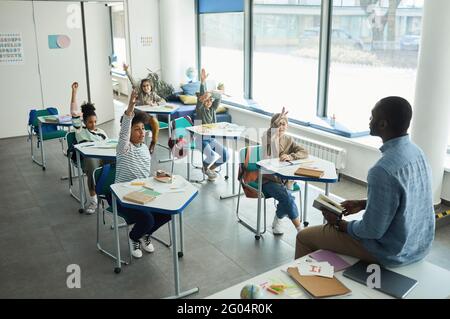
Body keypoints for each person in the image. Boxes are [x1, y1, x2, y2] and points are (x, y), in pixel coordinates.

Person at [295, 96, 435, 268]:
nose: (369, 121)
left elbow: (372, 231)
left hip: (391, 253)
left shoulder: (382, 170)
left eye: (372, 116)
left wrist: (339, 223)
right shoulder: (417, 153)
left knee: (304, 237)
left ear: (383, 124)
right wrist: (364, 204)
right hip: (418, 247)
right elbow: (410, 199)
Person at [112, 89, 171, 259]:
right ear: (128, 132)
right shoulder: (124, 147)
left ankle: (145, 234)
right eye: (136, 129)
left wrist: (157, 176)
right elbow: (124, 130)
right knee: (148, 219)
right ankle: (134, 237)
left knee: (167, 213)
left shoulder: (144, 148)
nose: (141, 132)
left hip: (142, 193)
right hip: (123, 196)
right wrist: (131, 105)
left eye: (142, 129)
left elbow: (143, 173)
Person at [261, 108, 308, 235]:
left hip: (284, 179)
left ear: (287, 126)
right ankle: (300, 231)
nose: (281, 126)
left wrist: (291, 156)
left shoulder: (289, 139)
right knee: (288, 198)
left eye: (283, 124)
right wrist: (275, 123)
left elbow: (304, 152)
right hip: (268, 180)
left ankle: (278, 218)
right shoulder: (267, 137)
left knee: (286, 198)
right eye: (278, 124)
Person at [70, 82, 108, 214]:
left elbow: (109, 146)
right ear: (84, 122)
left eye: (95, 121)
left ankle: (110, 194)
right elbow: (74, 112)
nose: (93, 124)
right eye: (90, 122)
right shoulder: (80, 130)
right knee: (92, 166)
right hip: (88, 158)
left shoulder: (102, 132)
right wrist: (74, 92)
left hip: (102, 156)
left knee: (115, 162)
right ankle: (93, 201)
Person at [195, 68, 228, 181]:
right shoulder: (200, 110)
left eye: (210, 100)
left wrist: (216, 91)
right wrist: (203, 83)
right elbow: (201, 98)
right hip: (201, 140)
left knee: (225, 155)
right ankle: (205, 169)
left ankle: (210, 169)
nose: (208, 102)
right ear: (202, 101)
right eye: (206, 100)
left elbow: (218, 97)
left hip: (211, 139)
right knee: (212, 156)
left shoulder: (213, 109)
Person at [123, 63, 165, 154]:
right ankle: (132, 144)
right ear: (142, 88)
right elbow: (133, 81)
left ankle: (153, 143)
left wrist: (156, 103)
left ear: (151, 86)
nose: (146, 87)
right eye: (144, 86)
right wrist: (126, 71)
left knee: (155, 122)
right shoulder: (140, 93)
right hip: (139, 116)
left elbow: (163, 101)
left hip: (148, 118)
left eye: (148, 86)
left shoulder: (153, 95)